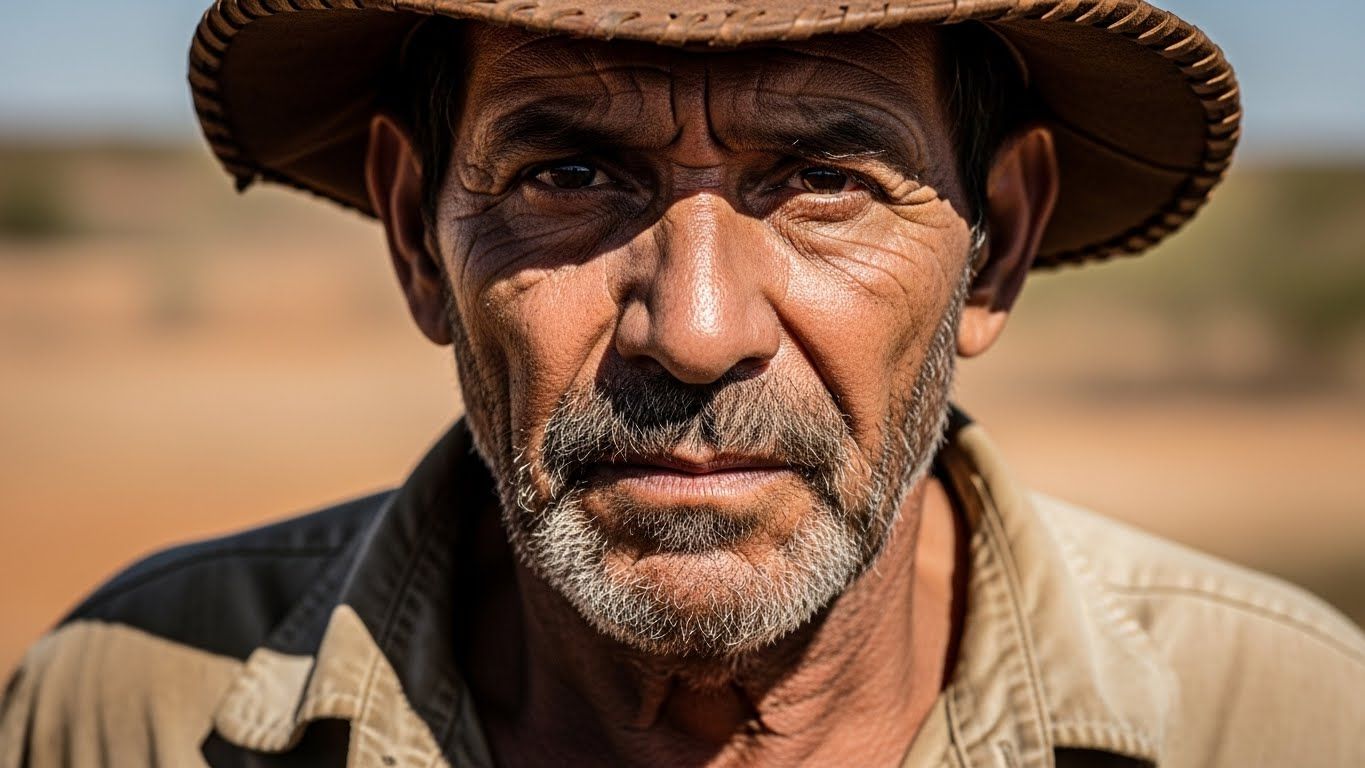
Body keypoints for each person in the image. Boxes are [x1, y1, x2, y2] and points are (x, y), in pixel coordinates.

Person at [3, 1, 1364, 765]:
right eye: (568, 176)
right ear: (419, 236)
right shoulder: (127, 714)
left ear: (993, 243)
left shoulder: (1280, 723)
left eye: (825, 179)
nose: (696, 329)